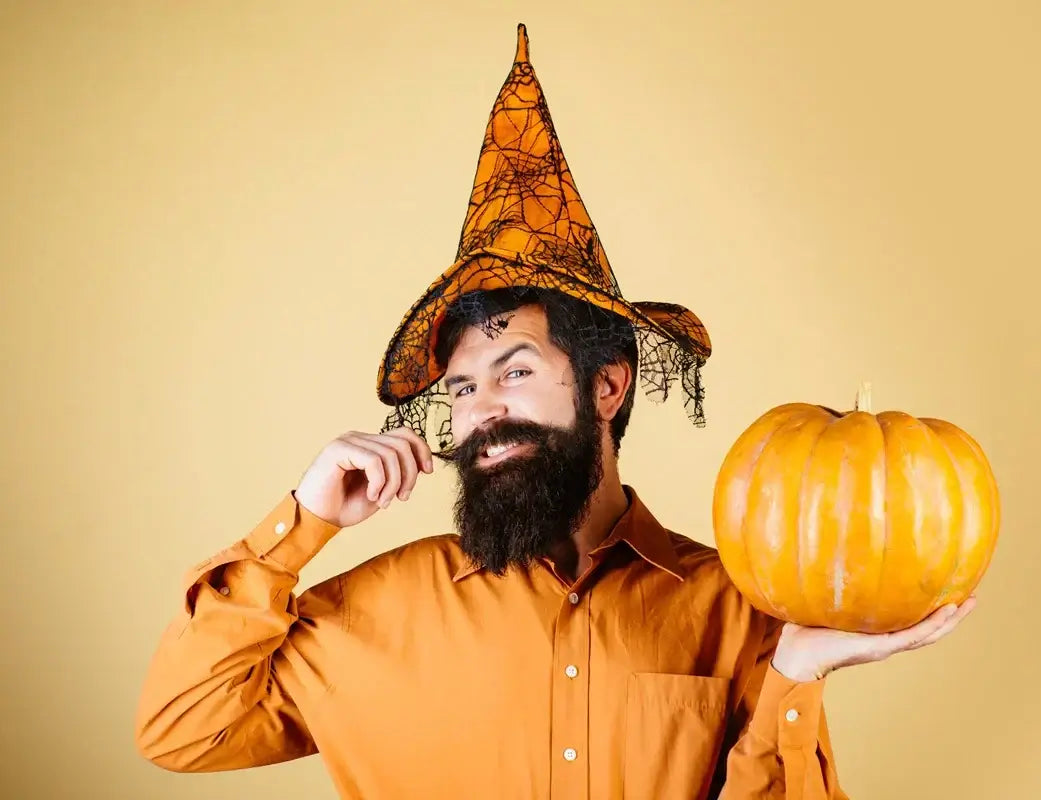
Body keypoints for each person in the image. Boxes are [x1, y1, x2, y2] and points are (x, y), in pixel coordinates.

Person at [133, 24, 973, 799]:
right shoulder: (372, 611)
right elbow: (180, 729)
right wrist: (300, 528)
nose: (482, 411)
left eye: (517, 370)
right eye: (462, 389)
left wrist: (796, 673)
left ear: (608, 387)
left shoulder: (737, 607)